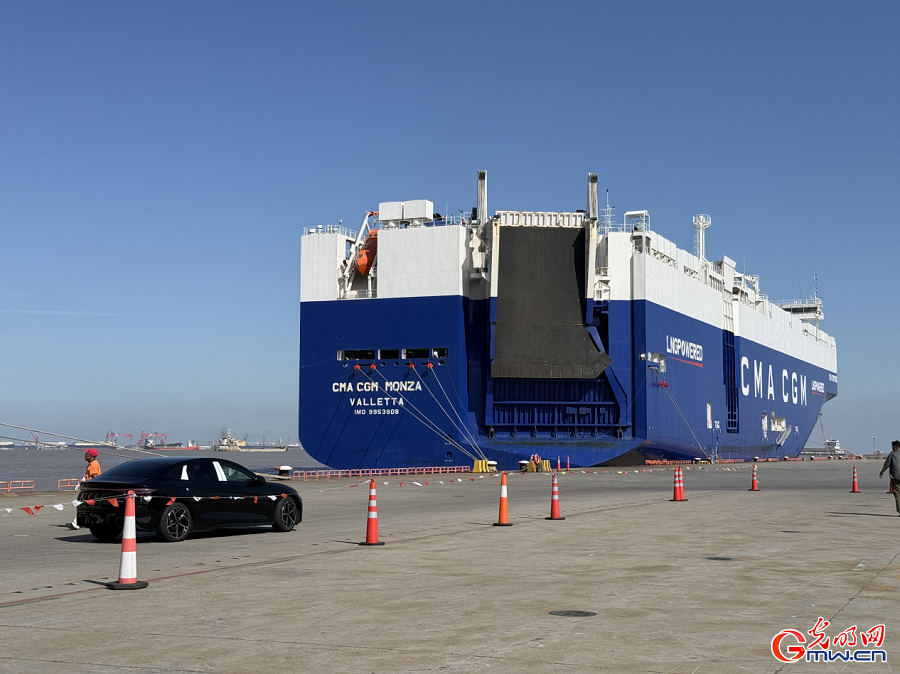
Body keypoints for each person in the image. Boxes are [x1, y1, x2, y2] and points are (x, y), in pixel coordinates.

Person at [68, 449, 102, 529]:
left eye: (87, 453)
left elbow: (95, 477)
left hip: (91, 489)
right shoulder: (91, 464)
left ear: (91, 456)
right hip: (88, 488)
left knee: (82, 503)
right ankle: (79, 522)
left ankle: (77, 522)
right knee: (84, 504)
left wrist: (91, 487)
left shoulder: (93, 464)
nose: (85, 455)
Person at [879, 440, 900, 516]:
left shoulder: (892, 454)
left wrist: (881, 472)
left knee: (897, 495)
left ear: (895, 447)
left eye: (892, 447)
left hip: (895, 477)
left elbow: (886, 465)